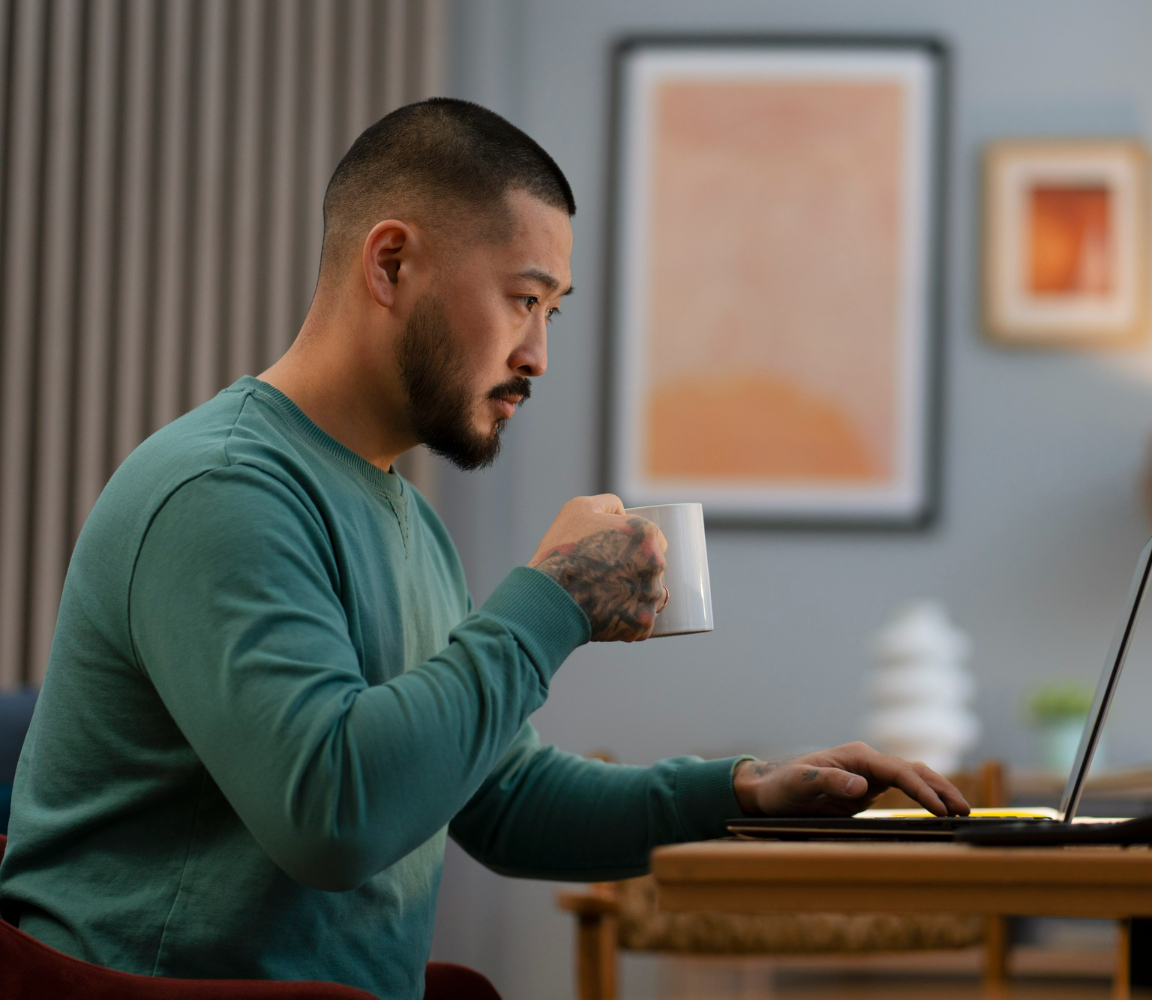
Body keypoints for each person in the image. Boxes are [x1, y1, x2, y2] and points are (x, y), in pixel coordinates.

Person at [0, 99, 967, 999]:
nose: (539, 354)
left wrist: (746, 793)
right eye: (522, 300)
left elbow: (498, 792)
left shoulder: (405, 520)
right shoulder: (222, 490)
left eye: (554, 312)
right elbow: (335, 819)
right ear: (389, 265)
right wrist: (551, 601)